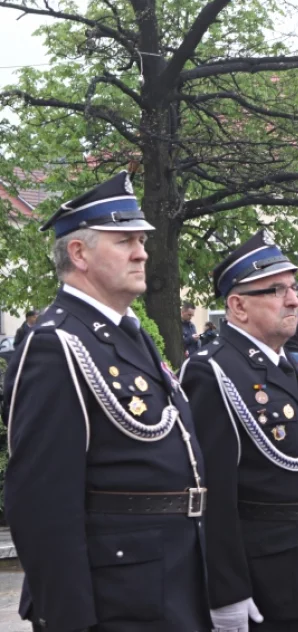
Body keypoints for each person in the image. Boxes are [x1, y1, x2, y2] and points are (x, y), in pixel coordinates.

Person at [1, 171, 211, 632]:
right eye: (124, 241)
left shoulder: (128, 336)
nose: (141, 252)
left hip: (169, 582)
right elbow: (41, 505)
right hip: (118, 599)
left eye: (140, 239)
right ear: (79, 253)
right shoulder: (55, 344)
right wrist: (69, 620)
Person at [180, 229, 298, 632]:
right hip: (265, 580)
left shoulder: (286, 365)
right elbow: (212, 489)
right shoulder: (213, 370)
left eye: (293, 287)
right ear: (237, 306)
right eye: (276, 290)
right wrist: (225, 588)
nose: (294, 299)